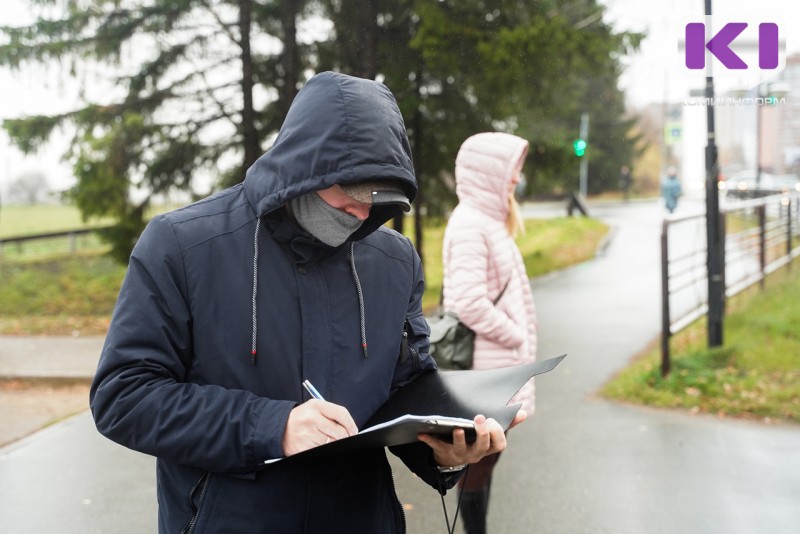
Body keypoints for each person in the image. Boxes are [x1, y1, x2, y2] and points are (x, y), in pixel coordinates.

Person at [89, 72, 520, 533]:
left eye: (380, 199)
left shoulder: (393, 261)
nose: (362, 213)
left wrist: (445, 449)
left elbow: (405, 388)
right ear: (304, 169)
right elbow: (125, 396)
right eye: (352, 193)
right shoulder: (182, 245)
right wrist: (272, 426)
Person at [441, 132, 538, 534]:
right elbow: (467, 302)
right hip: (485, 370)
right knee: (479, 459)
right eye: (510, 169)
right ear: (489, 172)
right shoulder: (470, 225)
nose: (516, 178)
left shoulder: (489, 221)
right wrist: (516, 336)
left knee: (490, 455)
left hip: (498, 367)